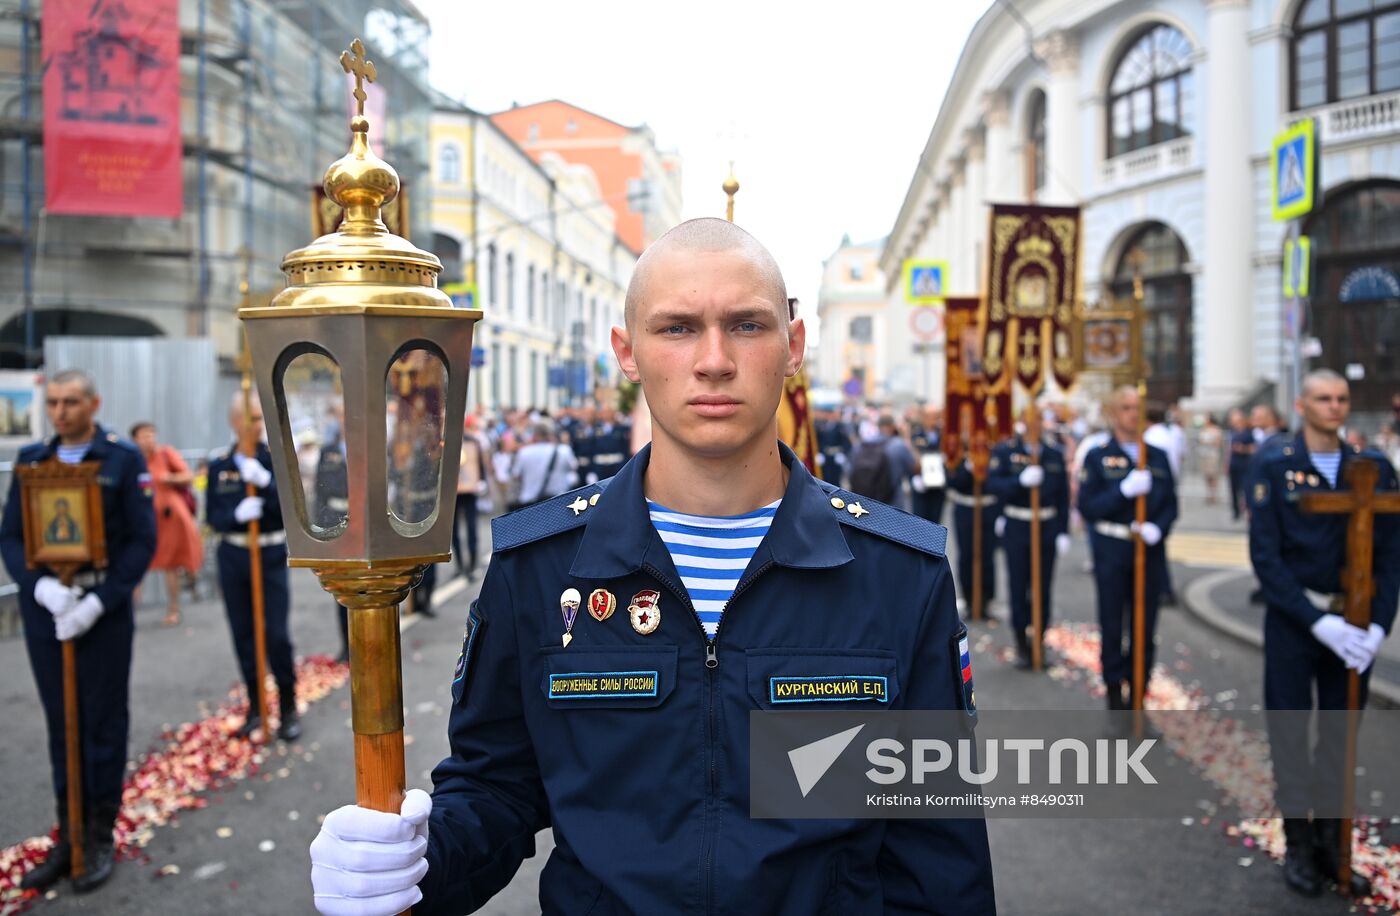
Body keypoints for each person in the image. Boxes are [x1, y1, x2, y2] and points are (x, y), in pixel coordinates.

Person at [308, 217, 995, 914]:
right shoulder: (543, 567)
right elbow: (499, 787)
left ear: (794, 346)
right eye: (677, 328)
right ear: (626, 351)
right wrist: (415, 863)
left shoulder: (897, 573)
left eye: (747, 325)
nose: (714, 359)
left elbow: (937, 847)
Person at [0, 369, 156, 892]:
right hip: (49, 607)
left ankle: (97, 834)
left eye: (71, 402)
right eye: (54, 403)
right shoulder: (31, 462)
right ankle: (67, 834)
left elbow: (141, 540)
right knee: (62, 724)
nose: (61, 411)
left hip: (101, 612)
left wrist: (97, 601)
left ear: (94, 403)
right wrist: (37, 587)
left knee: (103, 725)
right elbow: (13, 537)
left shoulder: (121, 458)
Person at [1249, 368, 1398, 899]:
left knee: (1340, 740)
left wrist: (1378, 625)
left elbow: (1389, 555)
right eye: (1323, 398)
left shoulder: (1373, 469)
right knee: (1290, 735)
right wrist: (1318, 622)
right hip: (1297, 623)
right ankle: (1299, 847)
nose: (1334, 407)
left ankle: (1336, 851)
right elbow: (1266, 558)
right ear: (1301, 404)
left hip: (1355, 627)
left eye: (1341, 399)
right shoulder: (1273, 463)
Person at [1077, 386, 1178, 711]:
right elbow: (1088, 506)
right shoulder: (1099, 455)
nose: (1133, 414)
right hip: (1111, 548)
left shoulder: (1157, 456)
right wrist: (1122, 491)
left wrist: (1157, 528)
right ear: (1113, 412)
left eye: (1138, 407)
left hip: (1147, 550)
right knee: (1112, 623)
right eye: (1126, 407)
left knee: (1145, 627)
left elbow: (1171, 505)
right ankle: (1113, 695)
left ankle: (1138, 694)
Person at [206, 393, 300, 741]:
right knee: (244, 635)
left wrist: (267, 485)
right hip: (234, 555)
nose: (256, 426)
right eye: (250, 419)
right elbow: (212, 517)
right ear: (235, 422)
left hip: (270, 554)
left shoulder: (274, 461)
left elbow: (293, 513)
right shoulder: (220, 465)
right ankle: (256, 707)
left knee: (276, 635)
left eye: (260, 420)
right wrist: (235, 515)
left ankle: (288, 706)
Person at [985, 408, 1070, 668]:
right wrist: (1018, 482)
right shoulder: (1006, 451)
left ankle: (1039, 640)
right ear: (1022, 422)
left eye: (1038, 421)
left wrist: (1063, 530)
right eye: (1029, 420)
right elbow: (993, 485)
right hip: (1018, 524)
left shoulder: (1054, 455)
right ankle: (1021, 640)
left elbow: (1063, 496)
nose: (1034, 425)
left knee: (1042, 587)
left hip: (1045, 524)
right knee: (1018, 585)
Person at [132, 422, 202, 626]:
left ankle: (174, 609)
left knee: (171, 564)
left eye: (152, 435)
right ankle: (130, 614)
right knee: (137, 565)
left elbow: (188, 475)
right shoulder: (134, 460)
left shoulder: (165, 454)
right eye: (144, 436)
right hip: (144, 520)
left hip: (169, 520)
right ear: (135, 439)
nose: (149, 439)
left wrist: (169, 478)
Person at [947, 449, 1001, 621]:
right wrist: (967, 470)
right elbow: (951, 482)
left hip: (988, 509)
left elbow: (998, 480)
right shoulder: (957, 453)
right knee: (966, 556)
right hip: (965, 509)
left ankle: (985, 601)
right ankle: (970, 600)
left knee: (987, 556)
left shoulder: (992, 452)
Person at [509, 419, 578, 509]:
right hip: (559, 502)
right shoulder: (564, 450)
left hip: (530, 503)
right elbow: (574, 468)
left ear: (535, 435)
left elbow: (516, 475)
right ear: (551, 434)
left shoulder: (524, 452)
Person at [453, 415, 489, 581]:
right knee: (455, 531)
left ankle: (471, 563)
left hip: (469, 489)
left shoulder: (472, 442)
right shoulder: (447, 441)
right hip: (455, 491)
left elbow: (479, 465)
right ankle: (461, 564)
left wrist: (481, 481)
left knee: (470, 528)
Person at [909, 404, 948, 526]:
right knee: (919, 522)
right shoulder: (916, 434)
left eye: (935, 417)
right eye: (929, 416)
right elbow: (910, 457)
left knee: (935, 522)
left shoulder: (944, 435)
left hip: (938, 486)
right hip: (921, 484)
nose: (932, 420)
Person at [1226, 408, 1254, 520]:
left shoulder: (1249, 432)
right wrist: (1227, 463)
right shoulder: (1232, 432)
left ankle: (1247, 509)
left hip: (1246, 464)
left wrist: (1243, 449)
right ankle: (1236, 511)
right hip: (1234, 464)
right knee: (1233, 489)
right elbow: (1229, 450)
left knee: (1246, 488)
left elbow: (1254, 448)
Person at [1195, 414, 1224, 505]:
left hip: (1212, 455)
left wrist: (1208, 442)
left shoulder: (1216, 430)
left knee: (1213, 475)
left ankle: (1213, 494)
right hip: (1204, 455)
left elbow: (1219, 443)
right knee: (1207, 475)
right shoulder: (1203, 429)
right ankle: (1208, 493)